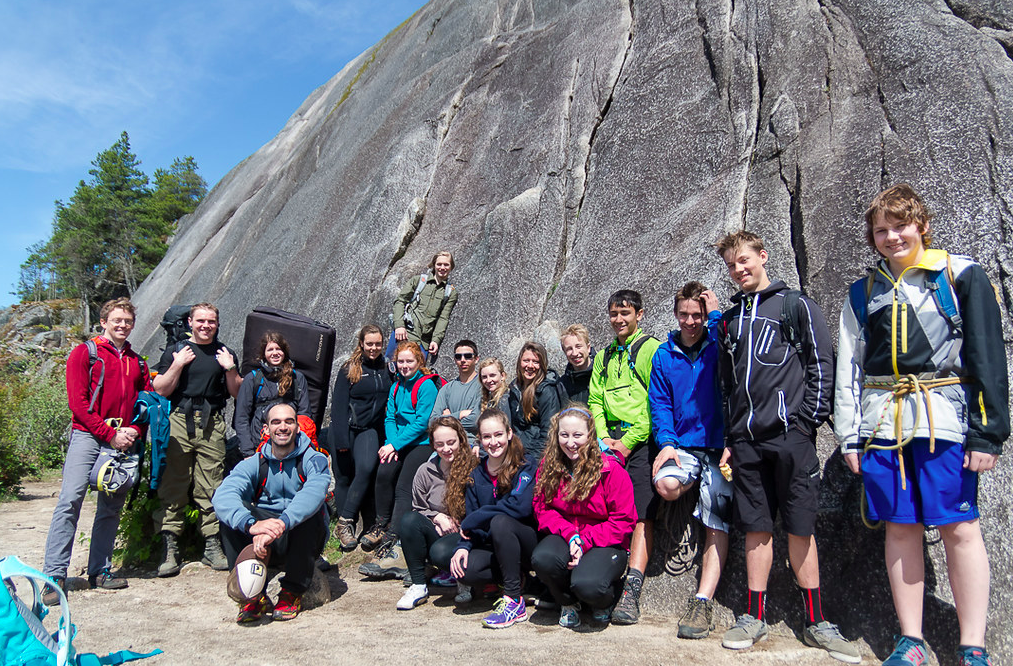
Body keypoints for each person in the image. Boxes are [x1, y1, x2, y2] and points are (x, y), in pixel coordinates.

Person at [835, 185, 1009, 666]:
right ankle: (911, 641)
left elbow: (987, 356)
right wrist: (848, 435)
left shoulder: (960, 275)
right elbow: (850, 367)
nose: (891, 237)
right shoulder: (862, 291)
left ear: (921, 225)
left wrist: (988, 431)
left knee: (960, 527)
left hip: (944, 421)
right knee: (899, 526)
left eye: (900, 226)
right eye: (881, 230)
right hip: (880, 426)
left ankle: (972, 645)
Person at [715, 231, 859, 662]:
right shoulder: (729, 319)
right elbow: (726, 385)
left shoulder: (796, 305)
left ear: (762, 256)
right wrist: (730, 437)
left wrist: (805, 423)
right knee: (756, 527)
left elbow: (821, 365)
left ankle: (816, 623)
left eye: (744, 260)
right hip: (746, 442)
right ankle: (754, 616)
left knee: (801, 527)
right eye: (731, 265)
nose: (739, 269)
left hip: (790, 439)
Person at [41, 298, 152, 604]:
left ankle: (100, 570)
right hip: (88, 436)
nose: (122, 325)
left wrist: (134, 431)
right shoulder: (85, 353)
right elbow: (77, 404)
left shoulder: (137, 361)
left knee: (111, 505)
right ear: (104, 322)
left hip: (122, 438)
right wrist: (109, 434)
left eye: (127, 321)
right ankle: (54, 575)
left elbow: (147, 402)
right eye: (116, 320)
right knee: (70, 501)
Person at [648, 281, 732, 639]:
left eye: (697, 315)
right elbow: (660, 404)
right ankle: (689, 491)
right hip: (682, 446)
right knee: (666, 485)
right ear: (675, 314)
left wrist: (716, 317)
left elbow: (735, 354)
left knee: (718, 520)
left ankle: (702, 600)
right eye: (684, 314)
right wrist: (665, 443)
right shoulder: (665, 355)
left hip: (720, 447)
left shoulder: (718, 344)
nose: (691, 321)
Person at [212, 403, 330, 623]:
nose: (282, 427)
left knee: (310, 511)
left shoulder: (314, 459)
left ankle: (292, 592)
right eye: (276, 422)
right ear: (265, 429)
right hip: (264, 539)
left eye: (289, 421)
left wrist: (281, 524)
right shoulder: (255, 463)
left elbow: (315, 492)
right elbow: (223, 495)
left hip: (302, 538)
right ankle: (252, 595)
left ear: (297, 428)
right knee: (231, 516)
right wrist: (250, 525)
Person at [587, 289, 661, 625]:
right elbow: (595, 401)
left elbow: (654, 401)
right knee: (605, 509)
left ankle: (632, 587)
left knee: (642, 513)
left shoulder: (650, 350)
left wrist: (628, 443)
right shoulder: (603, 356)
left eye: (626, 313)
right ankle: (605, 575)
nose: (619, 319)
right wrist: (603, 439)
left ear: (639, 314)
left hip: (640, 444)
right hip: (608, 444)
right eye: (615, 314)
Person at [152, 302, 241, 576]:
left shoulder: (225, 352)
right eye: (200, 321)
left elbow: (237, 392)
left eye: (211, 321)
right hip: (179, 418)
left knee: (212, 483)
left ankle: (211, 545)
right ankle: (170, 547)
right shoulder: (176, 351)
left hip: (212, 420)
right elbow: (162, 389)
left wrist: (230, 368)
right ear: (190, 322)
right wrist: (177, 364)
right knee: (174, 482)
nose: (206, 326)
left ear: (217, 323)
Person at [531, 408, 636, 628]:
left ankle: (604, 601)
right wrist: (571, 535)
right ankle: (568, 603)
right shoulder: (549, 466)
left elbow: (623, 521)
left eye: (577, 435)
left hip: (605, 540)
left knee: (589, 585)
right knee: (543, 558)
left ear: (590, 435)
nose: (570, 443)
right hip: (567, 533)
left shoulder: (611, 470)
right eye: (564, 435)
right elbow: (542, 508)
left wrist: (585, 541)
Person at [357, 341, 440, 577]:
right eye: (400, 361)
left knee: (404, 486)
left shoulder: (426, 386)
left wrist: (396, 444)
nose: (404, 366)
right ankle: (381, 525)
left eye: (409, 361)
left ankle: (394, 536)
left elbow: (423, 422)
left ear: (419, 362)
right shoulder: (396, 386)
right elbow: (390, 418)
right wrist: (391, 444)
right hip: (399, 442)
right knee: (383, 473)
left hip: (422, 443)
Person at [449, 409, 538, 629]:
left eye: (498, 434)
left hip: (527, 542)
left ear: (509, 433)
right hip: (496, 545)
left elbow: (520, 507)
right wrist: (463, 546)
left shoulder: (526, 465)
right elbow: (472, 521)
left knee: (500, 521)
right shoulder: (476, 475)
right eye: (487, 437)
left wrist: (477, 518)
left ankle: (513, 600)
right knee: (464, 568)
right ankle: (522, 581)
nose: (493, 442)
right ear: (479, 439)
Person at [397, 417, 479, 610]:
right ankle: (418, 585)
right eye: (440, 444)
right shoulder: (425, 471)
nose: (446, 449)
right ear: (433, 445)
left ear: (461, 440)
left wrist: (459, 524)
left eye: (451, 443)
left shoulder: (475, 468)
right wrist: (436, 518)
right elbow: (418, 508)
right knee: (409, 520)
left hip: (466, 534)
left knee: (441, 552)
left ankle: (463, 578)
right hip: (438, 531)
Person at [329, 325, 393, 551]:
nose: (374, 348)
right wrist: (341, 441)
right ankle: (347, 531)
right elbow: (337, 406)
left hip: (369, 430)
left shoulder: (388, 369)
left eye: (378, 344)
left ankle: (345, 521)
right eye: (369, 344)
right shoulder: (350, 368)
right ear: (362, 344)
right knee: (344, 478)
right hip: (346, 430)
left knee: (366, 469)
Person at [234, 332, 310, 457]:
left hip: (292, 445)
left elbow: (304, 413)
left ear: (284, 351)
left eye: (278, 349)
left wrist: (301, 445)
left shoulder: (296, 377)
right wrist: (248, 452)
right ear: (264, 353)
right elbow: (242, 418)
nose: (275, 353)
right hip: (259, 445)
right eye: (270, 350)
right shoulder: (253, 379)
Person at [388, 250, 459, 360]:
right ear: (434, 265)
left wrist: (436, 340)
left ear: (451, 267)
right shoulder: (418, 281)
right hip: (404, 334)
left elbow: (443, 318)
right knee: (390, 367)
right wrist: (399, 325)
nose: (442, 267)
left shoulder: (450, 292)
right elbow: (400, 301)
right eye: (439, 264)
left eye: (446, 264)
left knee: (418, 375)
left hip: (423, 343)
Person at [506, 342, 560, 457]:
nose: (530, 366)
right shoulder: (514, 388)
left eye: (536, 362)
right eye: (526, 360)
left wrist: (531, 462)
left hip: (533, 457)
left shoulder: (546, 391)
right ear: (519, 362)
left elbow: (548, 432)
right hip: (514, 454)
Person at [430, 340, 481, 444]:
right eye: (458, 357)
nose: (463, 360)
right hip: (446, 444)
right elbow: (432, 422)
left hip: (471, 443)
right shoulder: (446, 389)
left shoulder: (483, 386)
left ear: (476, 359)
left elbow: (476, 421)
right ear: (454, 359)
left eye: (467, 356)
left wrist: (447, 418)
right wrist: (460, 414)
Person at [558, 324, 596, 405]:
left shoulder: (601, 375)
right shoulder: (562, 385)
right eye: (569, 349)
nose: (574, 353)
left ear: (588, 347)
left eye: (578, 346)